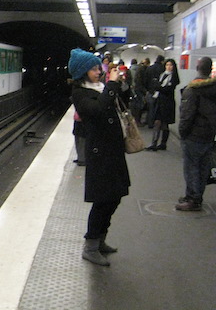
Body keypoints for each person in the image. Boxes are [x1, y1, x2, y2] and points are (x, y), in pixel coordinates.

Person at [68, 48, 130, 267]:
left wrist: (121, 84)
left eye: (98, 68)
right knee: (103, 199)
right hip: (100, 152)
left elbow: (118, 102)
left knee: (115, 196)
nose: (98, 71)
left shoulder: (101, 87)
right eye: (94, 69)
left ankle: (101, 238)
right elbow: (98, 110)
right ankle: (90, 246)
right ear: (83, 72)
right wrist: (112, 86)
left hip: (113, 149)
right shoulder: (80, 93)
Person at [175, 57, 216, 211]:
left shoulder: (192, 89)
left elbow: (187, 114)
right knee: (203, 167)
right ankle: (196, 196)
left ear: (197, 67)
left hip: (193, 134)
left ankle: (193, 199)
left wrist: (182, 132)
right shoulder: (213, 88)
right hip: (209, 134)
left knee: (191, 167)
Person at [146, 59, 179, 150]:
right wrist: (159, 87)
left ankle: (163, 143)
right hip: (160, 102)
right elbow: (159, 87)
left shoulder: (174, 78)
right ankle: (154, 143)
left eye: (170, 65)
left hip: (168, 103)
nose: (168, 67)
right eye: (167, 65)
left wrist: (158, 86)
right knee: (157, 122)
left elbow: (166, 90)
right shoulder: (162, 75)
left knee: (164, 124)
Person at [144, 55, 165, 128]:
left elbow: (145, 80)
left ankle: (150, 123)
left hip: (150, 91)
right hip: (159, 91)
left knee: (151, 108)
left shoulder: (149, 68)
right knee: (158, 109)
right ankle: (158, 124)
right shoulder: (163, 69)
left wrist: (147, 89)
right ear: (162, 61)